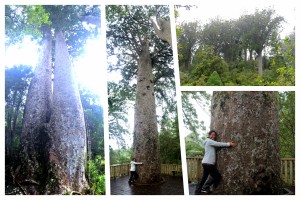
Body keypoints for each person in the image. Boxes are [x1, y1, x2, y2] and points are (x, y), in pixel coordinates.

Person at [195, 130, 237, 195]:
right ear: (209, 135)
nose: (213, 136)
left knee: (204, 178)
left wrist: (228, 143)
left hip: (205, 163)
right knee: (217, 176)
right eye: (212, 134)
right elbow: (219, 144)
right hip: (209, 164)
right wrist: (229, 144)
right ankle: (205, 187)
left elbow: (217, 147)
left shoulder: (209, 142)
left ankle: (198, 191)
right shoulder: (209, 141)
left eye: (214, 135)